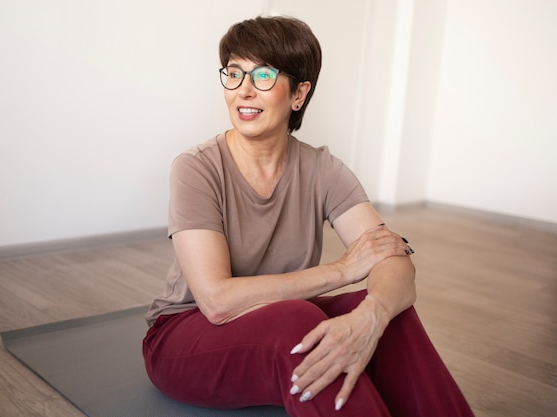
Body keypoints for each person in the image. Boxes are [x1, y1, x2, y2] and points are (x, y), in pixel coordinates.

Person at [142, 15, 474, 417]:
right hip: (188, 336)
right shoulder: (197, 168)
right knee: (298, 317)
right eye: (234, 73)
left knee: (388, 313)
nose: (243, 90)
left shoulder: (322, 168)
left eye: (263, 74)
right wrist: (342, 270)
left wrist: (372, 314)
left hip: (280, 318)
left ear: (299, 93)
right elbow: (217, 301)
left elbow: (393, 259)